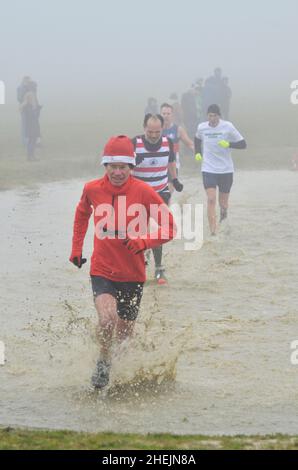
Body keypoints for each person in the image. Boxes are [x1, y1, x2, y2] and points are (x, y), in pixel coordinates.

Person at [70, 135, 176, 389]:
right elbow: (82, 215)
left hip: (133, 274)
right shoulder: (92, 189)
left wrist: (143, 243)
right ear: (105, 166)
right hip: (103, 269)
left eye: (123, 167)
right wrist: (76, 248)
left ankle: (122, 378)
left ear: (131, 167)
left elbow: (170, 228)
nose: (118, 172)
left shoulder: (144, 192)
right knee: (107, 321)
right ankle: (103, 361)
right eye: (113, 167)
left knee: (125, 334)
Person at [132, 114, 183, 285]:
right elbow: (122, 170)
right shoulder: (134, 144)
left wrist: (174, 180)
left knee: (155, 229)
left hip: (160, 192)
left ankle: (160, 269)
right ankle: (141, 264)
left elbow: (171, 163)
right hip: (138, 193)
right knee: (140, 231)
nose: (154, 135)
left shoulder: (168, 142)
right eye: (150, 131)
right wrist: (132, 164)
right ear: (143, 128)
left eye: (157, 132)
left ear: (163, 129)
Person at [194, 104, 246, 235]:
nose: (212, 119)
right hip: (208, 168)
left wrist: (229, 144)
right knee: (211, 199)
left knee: (223, 203)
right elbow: (197, 139)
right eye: (210, 116)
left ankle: (223, 222)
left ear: (219, 116)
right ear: (207, 116)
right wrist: (197, 152)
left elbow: (243, 144)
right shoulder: (202, 127)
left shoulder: (227, 126)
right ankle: (213, 230)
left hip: (226, 170)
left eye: (214, 116)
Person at [160, 102, 194, 191]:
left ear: (172, 115)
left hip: (173, 164)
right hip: (158, 164)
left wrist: (199, 151)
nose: (166, 116)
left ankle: (167, 203)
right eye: (164, 114)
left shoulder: (178, 129)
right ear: (160, 115)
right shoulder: (155, 129)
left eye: (168, 114)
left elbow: (189, 144)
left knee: (168, 192)